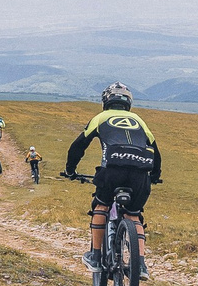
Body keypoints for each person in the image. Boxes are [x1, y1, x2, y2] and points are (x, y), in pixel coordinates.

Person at [65, 83, 161, 267]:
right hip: (140, 174)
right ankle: (140, 265)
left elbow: (79, 146)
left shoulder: (101, 118)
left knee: (101, 205)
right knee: (134, 214)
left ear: (106, 101)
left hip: (112, 170)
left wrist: (71, 169)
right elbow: (155, 150)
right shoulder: (139, 120)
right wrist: (155, 175)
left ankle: (95, 256)